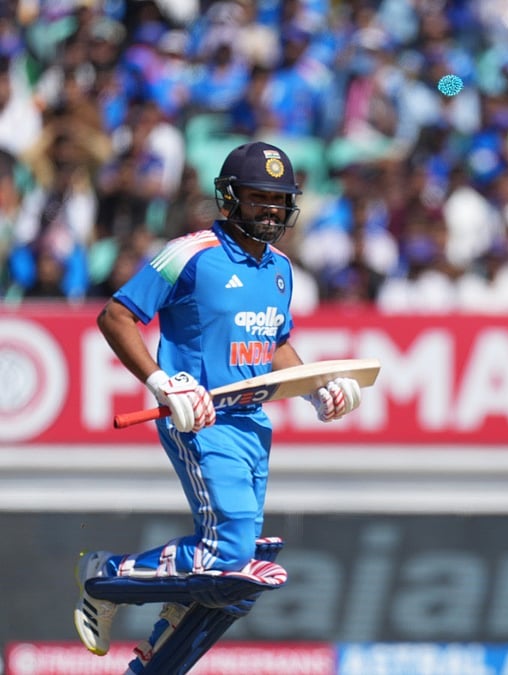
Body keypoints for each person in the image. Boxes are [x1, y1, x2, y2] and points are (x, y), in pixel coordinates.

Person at [76, 141, 364, 673]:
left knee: (231, 586)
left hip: (253, 425)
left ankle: (154, 662)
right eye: (259, 199)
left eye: (280, 201)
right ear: (229, 198)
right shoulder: (189, 253)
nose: (272, 211)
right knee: (229, 557)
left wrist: (317, 386)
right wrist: (163, 383)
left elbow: (275, 344)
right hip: (200, 418)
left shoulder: (280, 267)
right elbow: (116, 316)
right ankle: (104, 575)